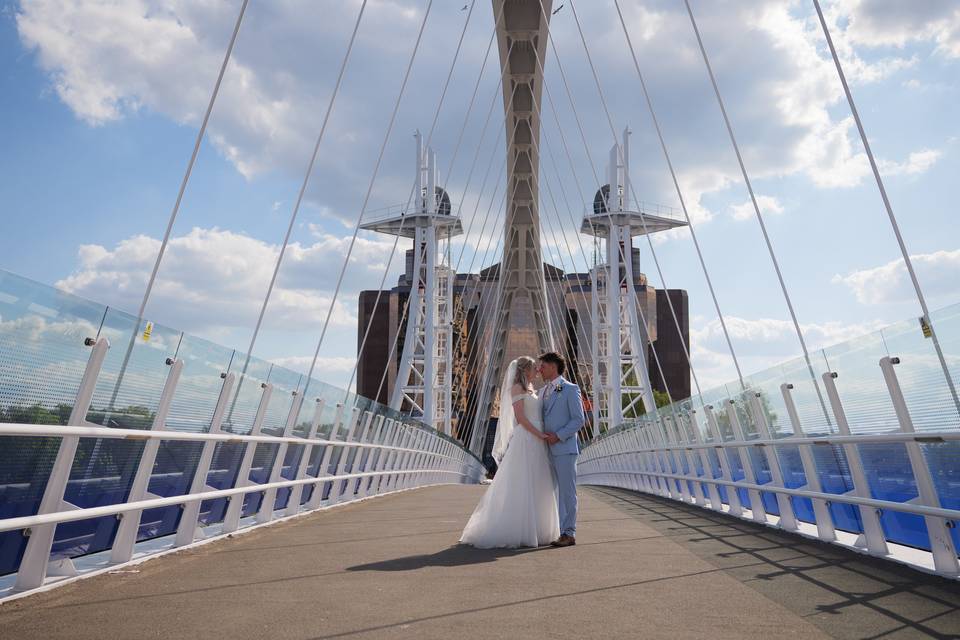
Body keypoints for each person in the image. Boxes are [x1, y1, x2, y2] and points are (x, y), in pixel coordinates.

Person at [459, 357, 560, 548]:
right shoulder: (517, 388)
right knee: (522, 483)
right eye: (533, 368)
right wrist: (540, 434)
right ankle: (518, 529)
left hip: (538, 441)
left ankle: (538, 529)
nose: (537, 371)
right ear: (524, 371)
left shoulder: (532, 388)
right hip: (527, 439)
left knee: (539, 482)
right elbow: (520, 418)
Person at [537, 351, 585, 547]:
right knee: (550, 492)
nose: (540, 369)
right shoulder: (542, 391)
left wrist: (559, 435)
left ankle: (569, 533)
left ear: (553, 367)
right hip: (544, 450)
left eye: (543, 366)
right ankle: (555, 530)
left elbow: (578, 419)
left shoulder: (570, 389)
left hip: (564, 448)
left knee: (567, 492)